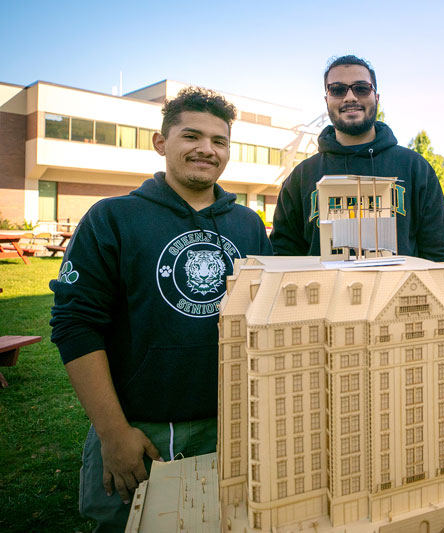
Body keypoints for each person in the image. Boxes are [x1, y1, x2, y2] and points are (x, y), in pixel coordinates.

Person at [49, 87, 273, 531]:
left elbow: (264, 320)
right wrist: (113, 433)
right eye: (192, 136)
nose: (206, 149)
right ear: (161, 142)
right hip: (139, 430)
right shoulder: (112, 218)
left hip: (229, 425)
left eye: (219, 140)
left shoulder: (247, 224)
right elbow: (76, 326)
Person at [270, 55, 444, 262]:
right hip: (325, 294)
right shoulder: (302, 177)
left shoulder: (415, 168)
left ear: (376, 97)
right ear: (327, 100)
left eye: (361, 88)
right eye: (338, 89)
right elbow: (283, 259)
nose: (350, 97)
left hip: (398, 293)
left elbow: (442, 256)